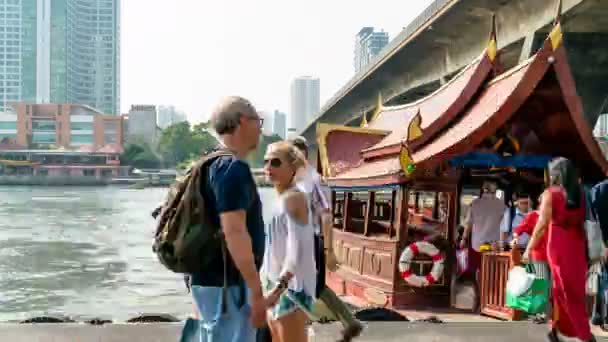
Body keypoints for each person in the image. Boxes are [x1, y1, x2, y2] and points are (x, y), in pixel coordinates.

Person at [190, 96, 267, 342]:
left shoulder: (205, 164)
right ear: (243, 121)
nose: (261, 129)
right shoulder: (233, 168)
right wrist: (256, 290)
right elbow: (234, 232)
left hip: (207, 283)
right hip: (229, 288)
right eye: (259, 121)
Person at [290, 136, 363, 342]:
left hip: (310, 241)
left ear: (305, 154)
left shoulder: (314, 180)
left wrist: (329, 250)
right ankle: (350, 322)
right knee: (315, 287)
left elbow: (327, 217)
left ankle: (302, 330)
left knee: (301, 286)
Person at [523, 157, 595, 342]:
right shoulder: (582, 193)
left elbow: (541, 224)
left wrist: (528, 248)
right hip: (577, 244)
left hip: (558, 244)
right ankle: (557, 329)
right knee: (569, 289)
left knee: (564, 290)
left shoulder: (551, 194)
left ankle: (583, 335)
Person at [261, 141, 317, 342]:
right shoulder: (278, 199)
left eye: (275, 162)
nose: (268, 167)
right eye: (265, 161)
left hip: (291, 288)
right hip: (275, 283)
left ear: (293, 167)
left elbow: (296, 251)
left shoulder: (294, 198)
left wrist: (278, 289)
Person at [511, 197, 550, 323]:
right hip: (539, 254)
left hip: (553, 255)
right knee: (540, 283)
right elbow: (519, 229)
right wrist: (515, 238)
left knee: (549, 284)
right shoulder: (534, 216)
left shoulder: (554, 215)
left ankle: (548, 313)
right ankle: (541, 313)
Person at [460, 181, 506, 280]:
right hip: (494, 245)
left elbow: (468, 224)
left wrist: (463, 239)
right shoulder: (501, 205)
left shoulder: (475, 204)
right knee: (493, 271)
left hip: (477, 245)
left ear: (483, 190)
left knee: (478, 269)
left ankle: (479, 290)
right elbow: (505, 226)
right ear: (495, 191)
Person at [590, 179, 608, 329]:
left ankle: (598, 316)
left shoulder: (598, 189)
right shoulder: (599, 190)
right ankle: (601, 316)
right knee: (603, 279)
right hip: (603, 241)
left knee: (602, 278)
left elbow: (592, 221)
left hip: (602, 242)